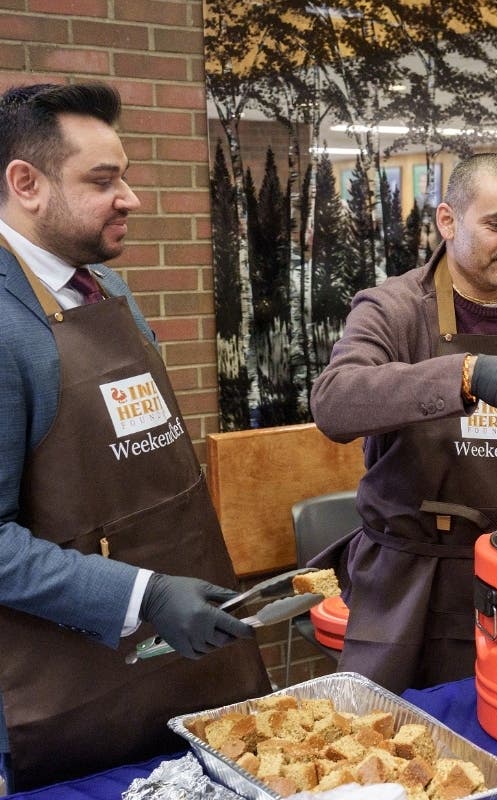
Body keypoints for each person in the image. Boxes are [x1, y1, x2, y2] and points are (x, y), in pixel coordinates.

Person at [0, 83, 270, 790]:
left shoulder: (108, 293)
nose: (131, 198)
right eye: (103, 180)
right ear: (25, 183)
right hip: (65, 697)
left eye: (125, 175)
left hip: (177, 670)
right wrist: (144, 596)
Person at [310, 153, 497, 694]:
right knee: (391, 737)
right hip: (410, 583)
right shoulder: (392, 308)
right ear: (447, 221)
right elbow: (333, 402)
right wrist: (465, 375)